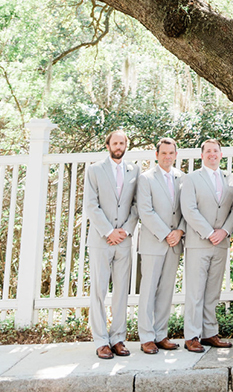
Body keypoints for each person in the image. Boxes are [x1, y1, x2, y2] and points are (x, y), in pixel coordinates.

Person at [180, 138, 233, 353]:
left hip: (221, 242)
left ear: (221, 154)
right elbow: (189, 209)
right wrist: (208, 232)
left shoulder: (231, 178)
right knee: (195, 291)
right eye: (208, 151)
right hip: (199, 242)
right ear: (202, 155)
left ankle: (209, 333)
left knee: (213, 291)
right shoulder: (191, 179)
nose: (212, 154)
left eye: (216, 151)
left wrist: (224, 231)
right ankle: (192, 336)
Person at [84, 129, 140, 360]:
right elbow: (91, 204)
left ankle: (117, 338)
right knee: (98, 290)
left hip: (124, 241)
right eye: (115, 142)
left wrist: (125, 231)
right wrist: (109, 231)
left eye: (122, 142)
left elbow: (137, 205)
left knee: (120, 292)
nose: (119, 146)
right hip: (101, 240)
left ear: (126, 145)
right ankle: (100, 341)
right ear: (108, 145)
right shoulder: (94, 170)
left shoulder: (134, 170)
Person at [136, 137, 185, 354]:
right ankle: (146, 336)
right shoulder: (146, 179)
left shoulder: (182, 178)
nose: (167, 157)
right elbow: (145, 211)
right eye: (163, 153)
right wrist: (166, 234)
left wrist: (180, 231)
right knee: (148, 290)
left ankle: (160, 334)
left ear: (176, 155)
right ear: (156, 155)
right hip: (154, 242)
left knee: (166, 290)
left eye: (171, 153)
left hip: (175, 243)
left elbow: (187, 209)